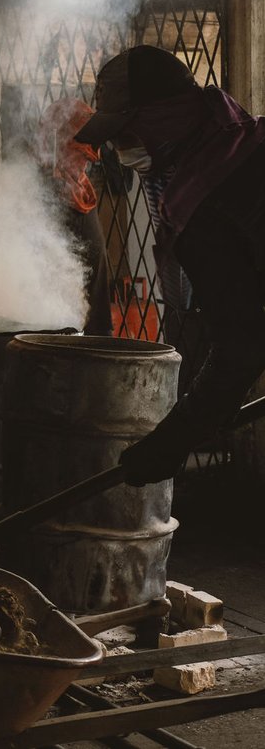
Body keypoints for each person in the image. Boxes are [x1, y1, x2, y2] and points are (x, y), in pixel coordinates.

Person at [74, 44, 265, 486]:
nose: (119, 149)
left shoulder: (203, 205)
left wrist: (173, 440)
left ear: (161, 119)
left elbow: (242, 345)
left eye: (125, 133)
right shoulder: (248, 141)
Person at [36, 98, 113, 336]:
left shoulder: (81, 191)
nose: (88, 161)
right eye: (80, 153)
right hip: (53, 324)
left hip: (91, 324)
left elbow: (96, 265)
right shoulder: (41, 191)